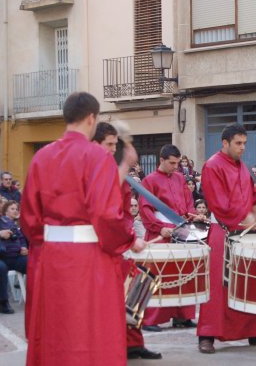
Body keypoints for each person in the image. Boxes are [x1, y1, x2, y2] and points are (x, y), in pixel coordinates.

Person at [20, 92, 145, 365]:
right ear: (92, 118)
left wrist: (48, 242)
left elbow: (29, 217)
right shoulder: (97, 157)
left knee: (57, 329)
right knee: (91, 330)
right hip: (90, 257)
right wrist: (128, 239)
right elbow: (105, 215)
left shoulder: (41, 156)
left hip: (51, 257)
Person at [198, 123, 256, 354]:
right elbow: (218, 203)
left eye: (245, 143)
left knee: (251, 282)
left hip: (247, 231)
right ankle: (207, 334)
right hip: (223, 231)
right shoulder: (212, 165)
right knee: (218, 285)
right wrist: (246, 218)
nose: (242, 148)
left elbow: (255, 197)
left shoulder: (242, 167)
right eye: (238, 143)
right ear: (225, 143)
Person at [92, 121, 162, 360]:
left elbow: (121, 211)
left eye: (115, 144)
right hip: (102, 244)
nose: (112, 149)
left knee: (134, 289)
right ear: (94, 144)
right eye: (108, 144)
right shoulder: (95, 169)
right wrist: (131, 239)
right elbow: (106, 210)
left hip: (117, 239)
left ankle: (132, 344)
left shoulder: (110, 169)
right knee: (116, 298)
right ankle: (114, 346)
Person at [138, 144, 200, 332]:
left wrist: (193, 215)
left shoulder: (181, 178)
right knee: (157, 276)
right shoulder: (149, 180)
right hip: (160, 232)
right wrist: (159, 227)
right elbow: (145, 209)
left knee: (184, 274)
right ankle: (150, 319)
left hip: (181, 230)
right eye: (172, 163)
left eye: (177, 163)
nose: (175, 167)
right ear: (161, 160)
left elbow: (188, 202)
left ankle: (183, 316)